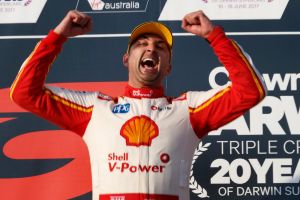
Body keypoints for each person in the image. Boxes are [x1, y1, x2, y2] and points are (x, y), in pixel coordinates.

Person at [10, 10, 266, 200]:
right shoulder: (95, 109)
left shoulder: (188, 109)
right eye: (141, 44)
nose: (151, 49)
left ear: (168, 66)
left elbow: (250, 90)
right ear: (126, 59)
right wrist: (58, 37)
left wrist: (214, 36)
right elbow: (24, 92)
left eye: (160, 47)